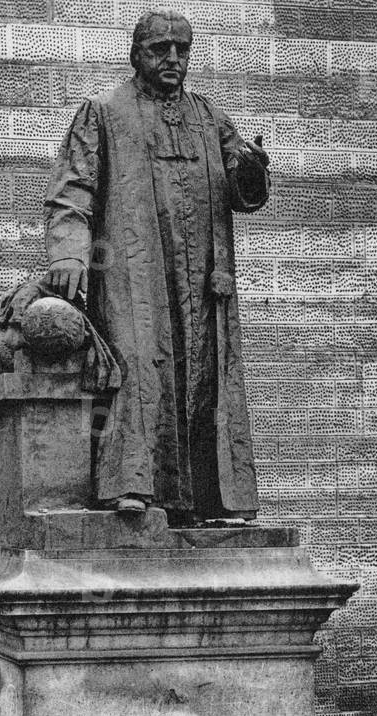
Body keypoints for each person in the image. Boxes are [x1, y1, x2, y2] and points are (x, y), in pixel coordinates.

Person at [43, 8, 270, 522]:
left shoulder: (210, 118)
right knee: (137, 368)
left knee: (204, 375)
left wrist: (252, 169)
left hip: (203, 275)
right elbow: (71, 194)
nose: (173, 59)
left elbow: (245, 190)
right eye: (159, 49)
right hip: (133, 268)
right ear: (136, 54)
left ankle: (209, 498)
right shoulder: (103, 112)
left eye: (182, 50)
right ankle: (132, 486)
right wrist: (69, 254)